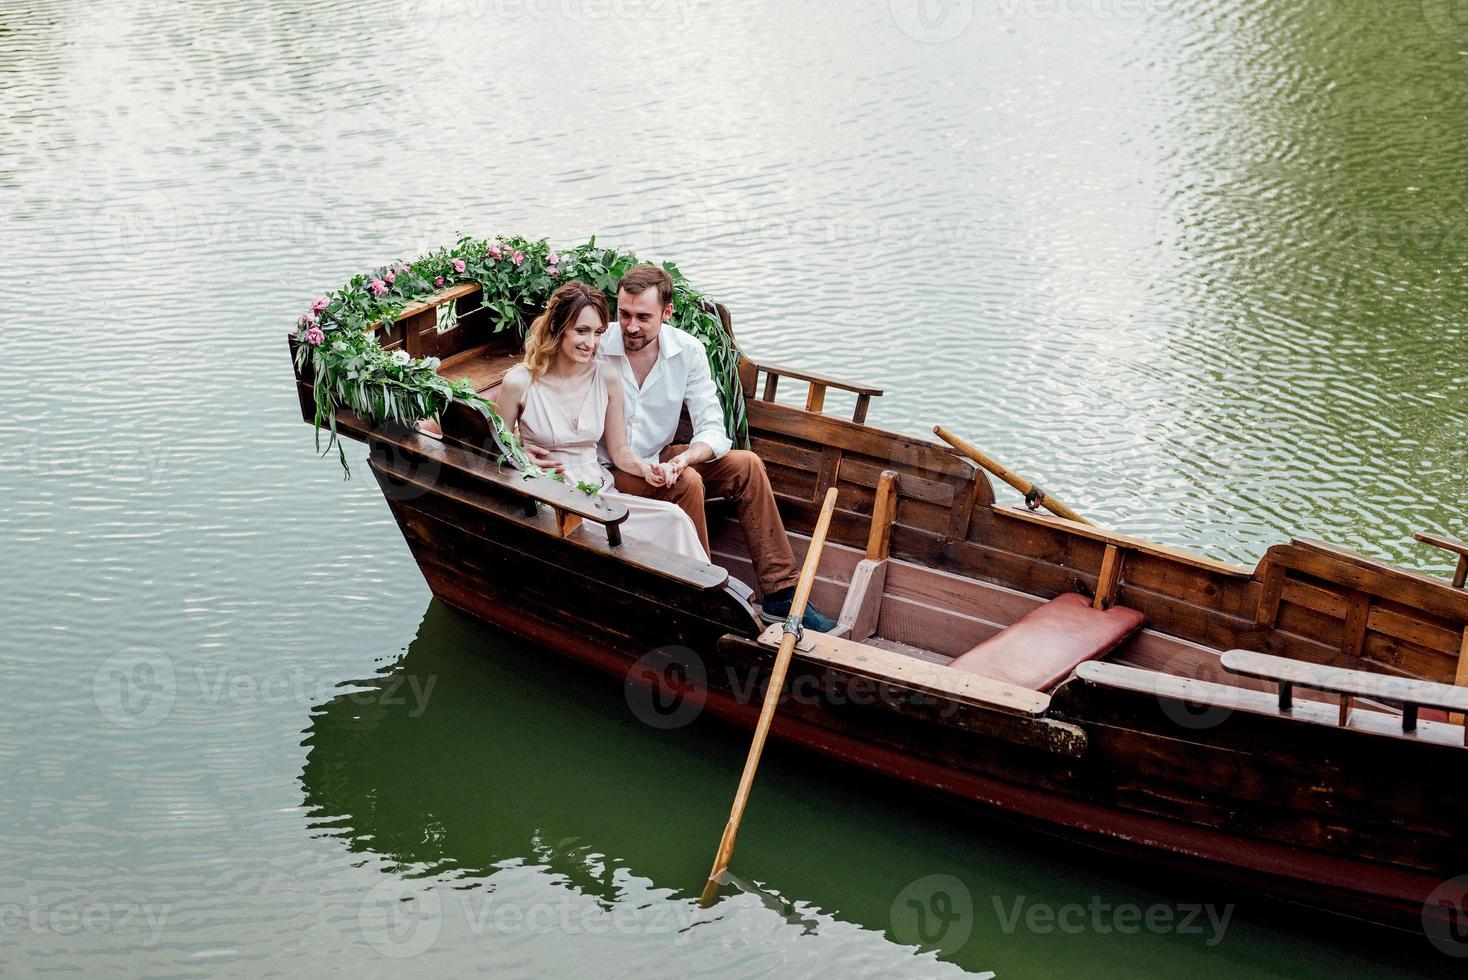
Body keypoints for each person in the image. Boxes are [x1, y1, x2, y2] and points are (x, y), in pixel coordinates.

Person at [579, 263, 837, 632]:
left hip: (659, 457)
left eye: (643, 317)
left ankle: (781, 595)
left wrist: (684, 458)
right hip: (612, 469)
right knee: (686, 484)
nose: (631, 327)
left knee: (746, 465)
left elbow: (713, 429)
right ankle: (707, 595)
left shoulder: (687, 351)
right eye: (624, 314)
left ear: (667, 313)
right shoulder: (597, 347)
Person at [497, 280, 708, 563]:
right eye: (581, 331)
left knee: (674, 519)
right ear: (557, 328)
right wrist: (520, 455)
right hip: (546, 493)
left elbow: (619, 451)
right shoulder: (519, 382)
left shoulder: (608, 378)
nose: (591, 343)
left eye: (597, 333)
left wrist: (646, 469)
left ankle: (696, 600)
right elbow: (494, 447)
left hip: (597, 490)